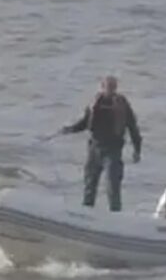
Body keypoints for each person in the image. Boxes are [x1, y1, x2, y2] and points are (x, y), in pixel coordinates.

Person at [57, 75, 141, 212]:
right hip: (94, 149)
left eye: (113, 86)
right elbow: (85, 123)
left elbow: (133, 128)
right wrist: (69, 129)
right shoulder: (95, 103)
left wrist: (137, 150)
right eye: (108, 86)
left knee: (112, 186)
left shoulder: (122, 105)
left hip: (112, 151)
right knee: (89, 185)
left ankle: (115, 215)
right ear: (102, 87)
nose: (111, 89)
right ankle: (86, 212)